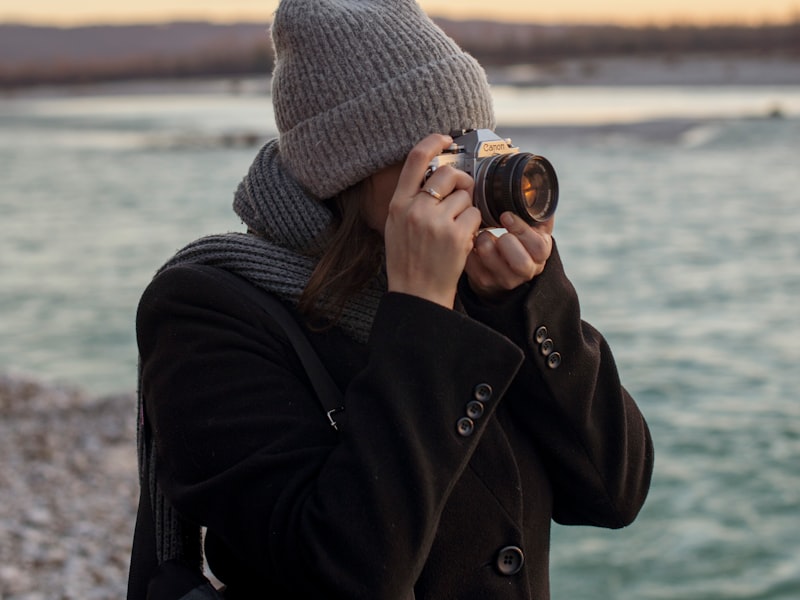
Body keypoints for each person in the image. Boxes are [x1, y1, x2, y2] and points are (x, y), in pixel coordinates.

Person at [130, 0, 654, 598]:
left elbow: (616, 491)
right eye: (442, 153)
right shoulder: (209, 308)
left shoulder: (472, 289)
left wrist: (528, 302)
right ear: (348, 169)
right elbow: (342, 572)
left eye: (476, 147)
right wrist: (424, 317)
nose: (466, 176)